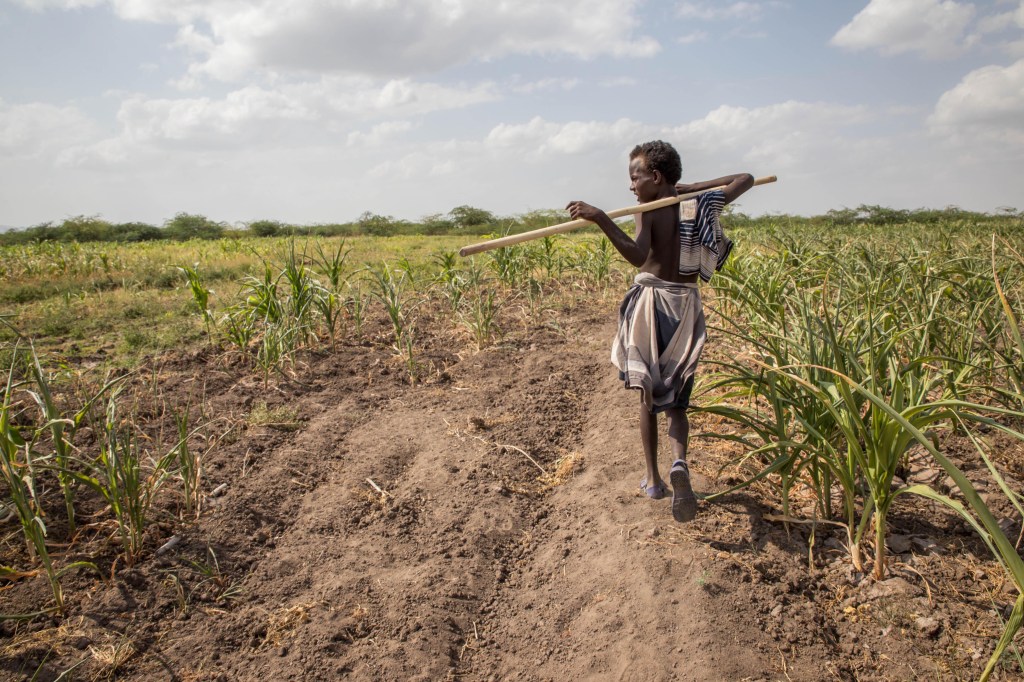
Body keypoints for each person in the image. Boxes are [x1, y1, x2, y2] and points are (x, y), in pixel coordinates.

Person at [566, 140, 752, 522]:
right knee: (679, 399)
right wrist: (691, 188)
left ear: (655, 176)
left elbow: (637, 255)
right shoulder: (698, 203)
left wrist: (601, 218)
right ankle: (679, 462)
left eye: (635, 177)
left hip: (652, 305)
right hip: (685, 306)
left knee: (648, 395)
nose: (631, 187)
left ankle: (653, 480)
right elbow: (745, 178)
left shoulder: (647, 210)